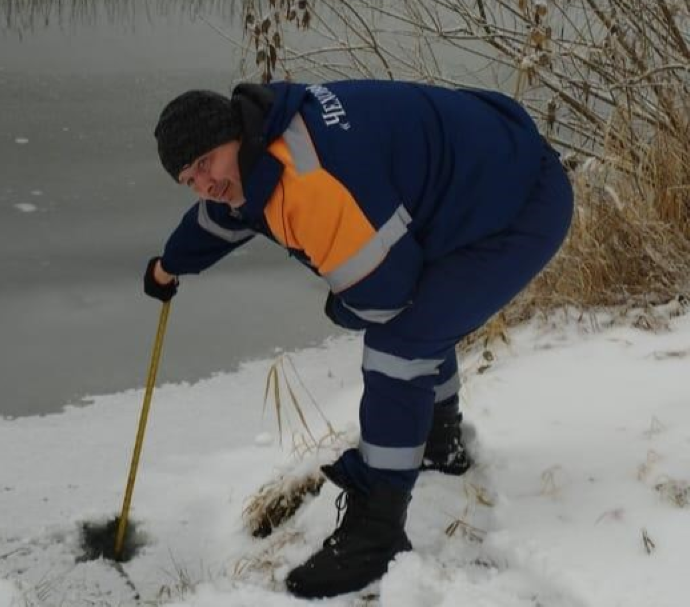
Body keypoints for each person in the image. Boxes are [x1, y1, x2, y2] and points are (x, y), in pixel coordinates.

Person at [142, 80, 573, 599]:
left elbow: (381, 300)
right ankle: (440, 444)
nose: (204, 184)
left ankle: (378, 532)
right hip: (489, 166)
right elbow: (225, 216)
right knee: (420, 315)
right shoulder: (266, 140)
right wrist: (169, 266)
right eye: (190, 179)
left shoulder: (306, 182)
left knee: (400, 343)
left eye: (206, 163)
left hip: (517, 206)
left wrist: (337, 308)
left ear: (231, 133)